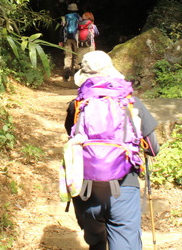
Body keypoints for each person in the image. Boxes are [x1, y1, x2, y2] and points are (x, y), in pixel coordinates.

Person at [64, 51, 160, 250]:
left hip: (86, 189)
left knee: (95, 241)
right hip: (124, 186)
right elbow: (152, 148)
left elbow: (71, 138)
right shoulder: (131, 102)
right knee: (125, 241)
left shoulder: (78, 105)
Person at [59, 3, 81, 81]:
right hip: (76, 38)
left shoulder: (65, 17)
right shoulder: (78, 17)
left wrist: (60, 40)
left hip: (66, 38)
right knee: (76, 54)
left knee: (68, 55)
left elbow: (62, 29)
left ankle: (67, 69)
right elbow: (80, 27)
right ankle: (76, 69)